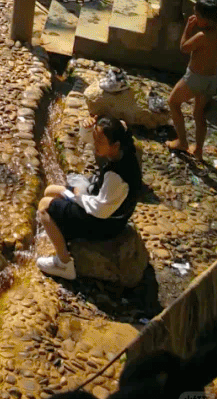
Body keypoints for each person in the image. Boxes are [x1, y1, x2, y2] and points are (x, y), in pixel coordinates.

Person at [36, 115, 141, 281]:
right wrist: (87, 128)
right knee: (51, 190)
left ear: (115, 145)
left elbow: (99, 210)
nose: (95, 143)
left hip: (105, 223)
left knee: (44, 207)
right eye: (95, 137)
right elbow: (90, 139)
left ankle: (64, 264)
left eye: (99, 140)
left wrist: (77, 195)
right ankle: (57, 230)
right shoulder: (121, 147)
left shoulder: (116, 177)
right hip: (98, 203)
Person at [167, 0, 217, 159]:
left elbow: (184, 47)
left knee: (173, 102)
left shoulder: (202, 36)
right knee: (199, 114)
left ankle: (182, 142)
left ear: (206, 19)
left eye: (197, 15)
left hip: (195, 78)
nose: (195, 18)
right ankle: (198, 150)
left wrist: (188, 27)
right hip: (211, 79)